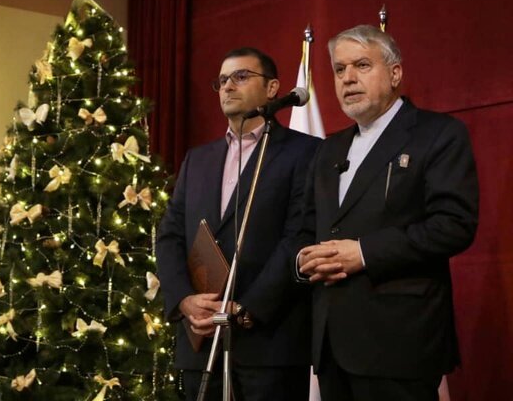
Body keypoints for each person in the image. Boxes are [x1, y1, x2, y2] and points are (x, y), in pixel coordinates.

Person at [296, 25, 479, 401]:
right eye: (339, 69)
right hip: (331, 344)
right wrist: (302, 260)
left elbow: (453, 225)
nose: (348, 78)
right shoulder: (328, 150)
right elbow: (306, 227)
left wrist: (363, 253)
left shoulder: (438, 133)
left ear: (395, 73)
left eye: (362, 65)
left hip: (399, 343)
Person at [156, 47, 320, 401]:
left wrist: (248, 308)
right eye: (222, 80)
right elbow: (169, 235)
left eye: (241, 76)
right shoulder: (197, 159)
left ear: (273, 87)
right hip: (201, 339)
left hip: (269, 343)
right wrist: (183, 299)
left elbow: (299, 236)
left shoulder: (305, 152)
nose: (228, 86)